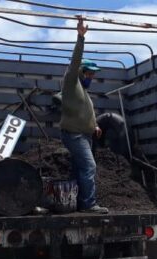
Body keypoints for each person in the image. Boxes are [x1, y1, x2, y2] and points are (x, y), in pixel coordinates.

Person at [60, 17, 108, 214]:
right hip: (74, 135)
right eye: (89, 73)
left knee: (80, 169)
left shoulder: (83, 93)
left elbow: (84, 113)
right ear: (80, 72)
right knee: (89, 167)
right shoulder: (71, 82)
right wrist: (80, 38)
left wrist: (94, 125)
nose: (91, 77)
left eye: (93, 74)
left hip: (84, 135)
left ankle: (75, 202)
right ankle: (88, 205)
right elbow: (74, 63)